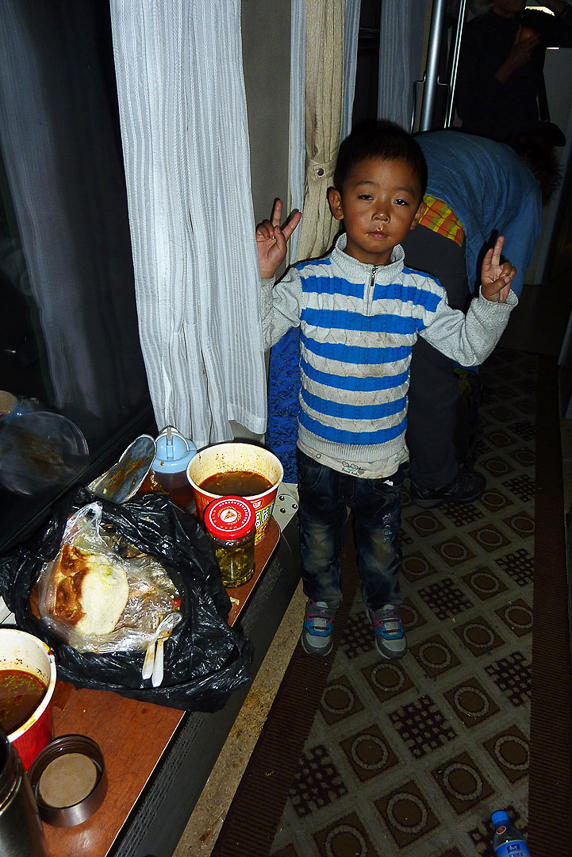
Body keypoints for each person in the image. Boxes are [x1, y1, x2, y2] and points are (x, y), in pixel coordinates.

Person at [256, 121, 517, 660]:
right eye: (366, 195)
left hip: (382, 455)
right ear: (337, 202)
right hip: (317, 450)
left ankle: (384, 605)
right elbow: (258, 334)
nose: (381, 212)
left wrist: (489, 303)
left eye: (399, 201)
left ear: (416, 215)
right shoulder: (307, 281)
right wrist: (264, 276)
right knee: (319, 539)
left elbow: (468, 348)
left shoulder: (420, 292)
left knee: (382, 544)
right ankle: (322, 600)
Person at [402, 128, 543, 507]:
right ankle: (434, 480)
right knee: (431, 373)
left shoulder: (462, 144)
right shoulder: (527, 187)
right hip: (432, 223)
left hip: (371, 210)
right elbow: (503, 282)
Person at [456, 0, 572, 148]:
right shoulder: (475, 33)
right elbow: (467, 110)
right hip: (487, 144)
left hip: (527, 145)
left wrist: (551, 3)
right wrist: (510, 63)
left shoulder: (533, 22)